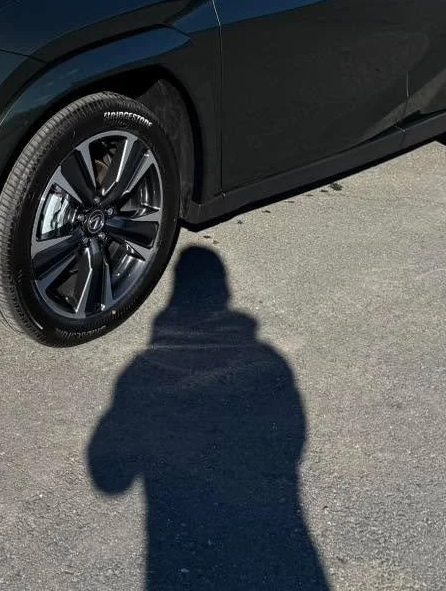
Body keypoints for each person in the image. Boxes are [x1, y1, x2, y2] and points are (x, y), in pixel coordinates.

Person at [88, 246, 329, 590]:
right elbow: (292, 441)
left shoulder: (141, 371)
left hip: (180, 553)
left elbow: (109, 479)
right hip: (278, 546)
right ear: (226, 293)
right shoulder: (270, 360)